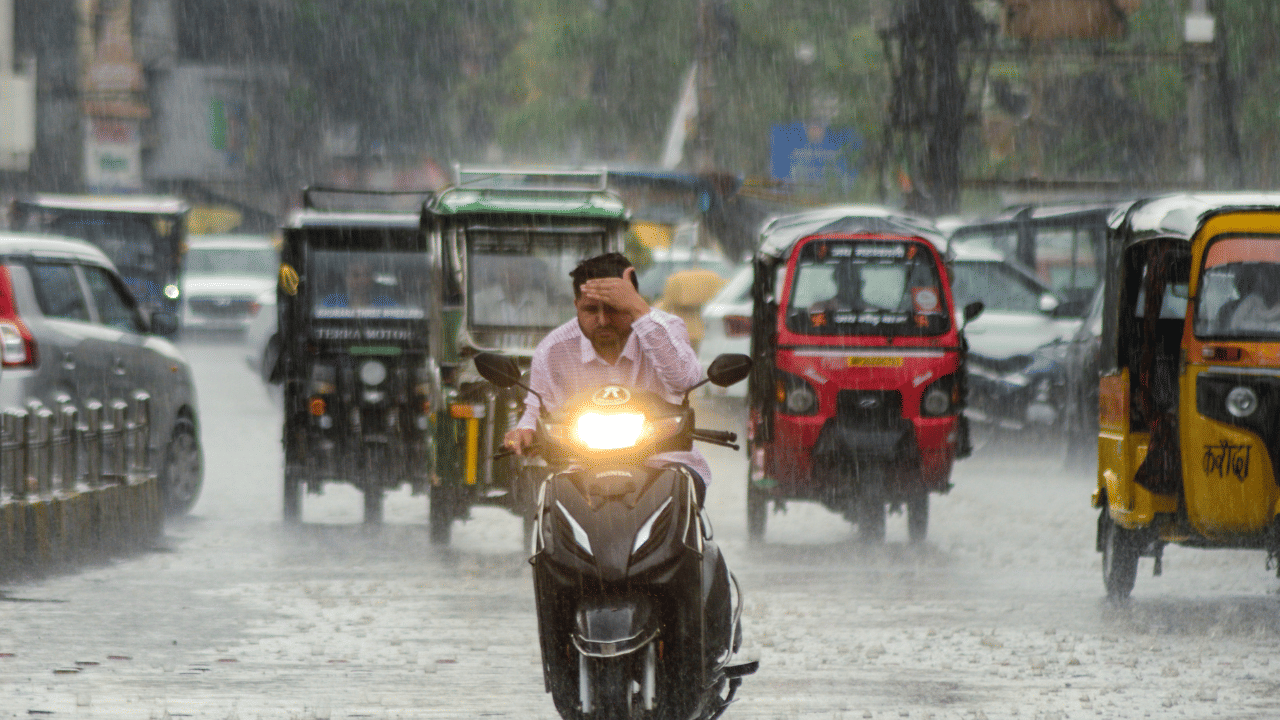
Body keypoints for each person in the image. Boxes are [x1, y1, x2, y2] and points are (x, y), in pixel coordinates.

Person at [502, 252, 711, 498]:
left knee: (681, 494)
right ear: (576, 306)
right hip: (578, 471)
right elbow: (537, 409)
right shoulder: (552, 350)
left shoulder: (665, 327)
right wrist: (525, 431)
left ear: (634, 301)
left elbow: (685, 380)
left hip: (664, 465)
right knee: (546, 499)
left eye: (613, 309)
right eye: (590, 310)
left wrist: (639, 311)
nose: (602, 320)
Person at [1225, 264, 1280, 333]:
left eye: (1269, 280)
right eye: (1260, 281)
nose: (1264, 285)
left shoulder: (1247, 306)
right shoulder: (1249, 303)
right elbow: (1232, 330)